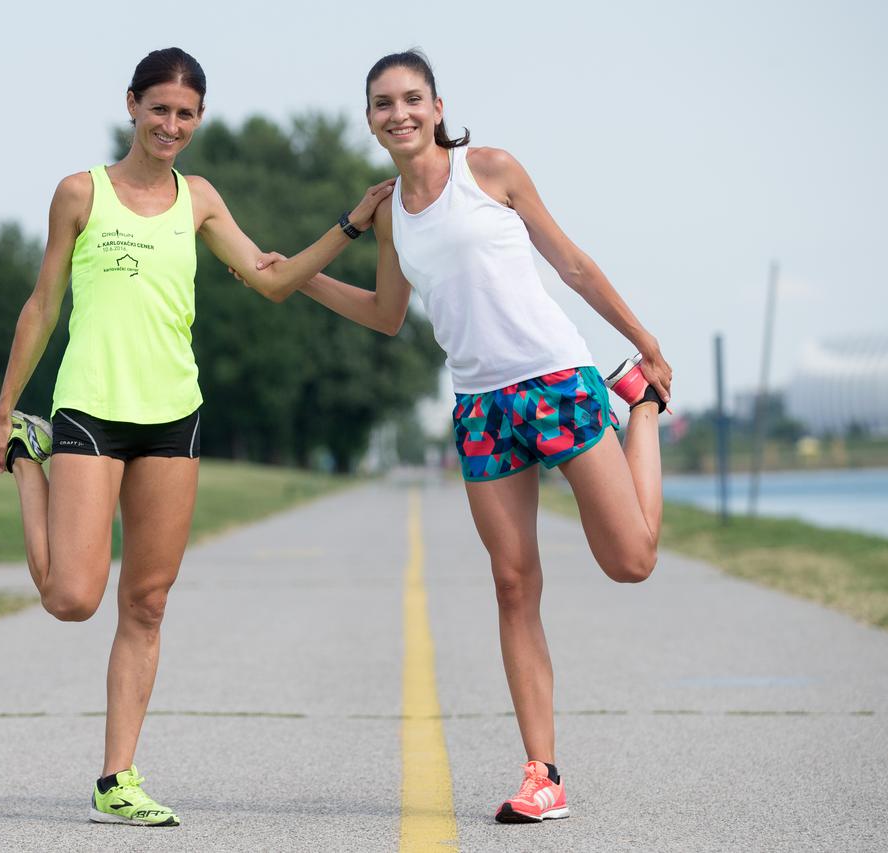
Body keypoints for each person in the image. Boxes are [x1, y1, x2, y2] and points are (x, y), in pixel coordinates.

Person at [249, 49, 672, 824]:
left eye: (412, 99)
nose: (399, 113)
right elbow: (386, 314)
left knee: (632, 561)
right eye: (383, 103)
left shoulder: (491, 170)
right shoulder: (388, 215)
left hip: (556, 381)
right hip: (480, 405)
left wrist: (642, 340)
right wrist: (305, 275)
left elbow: (571, 263)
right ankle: (542, 772)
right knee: (514, 584)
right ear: (370, 118)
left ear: (438, 107)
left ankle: (638, 407)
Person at [0, 46, 393, 827]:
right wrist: (6, 407)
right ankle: (28, 466)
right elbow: (42, 306)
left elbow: (272, 280)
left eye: (185, 113)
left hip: (174, 414)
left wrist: (349, 225)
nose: (170, 124)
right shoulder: (81, 193)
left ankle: (117, 777)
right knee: (73, 597)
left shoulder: (199, 199)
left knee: (146, 602)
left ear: (198, 119)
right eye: (159, 109)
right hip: (88, 411)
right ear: (132, 104)